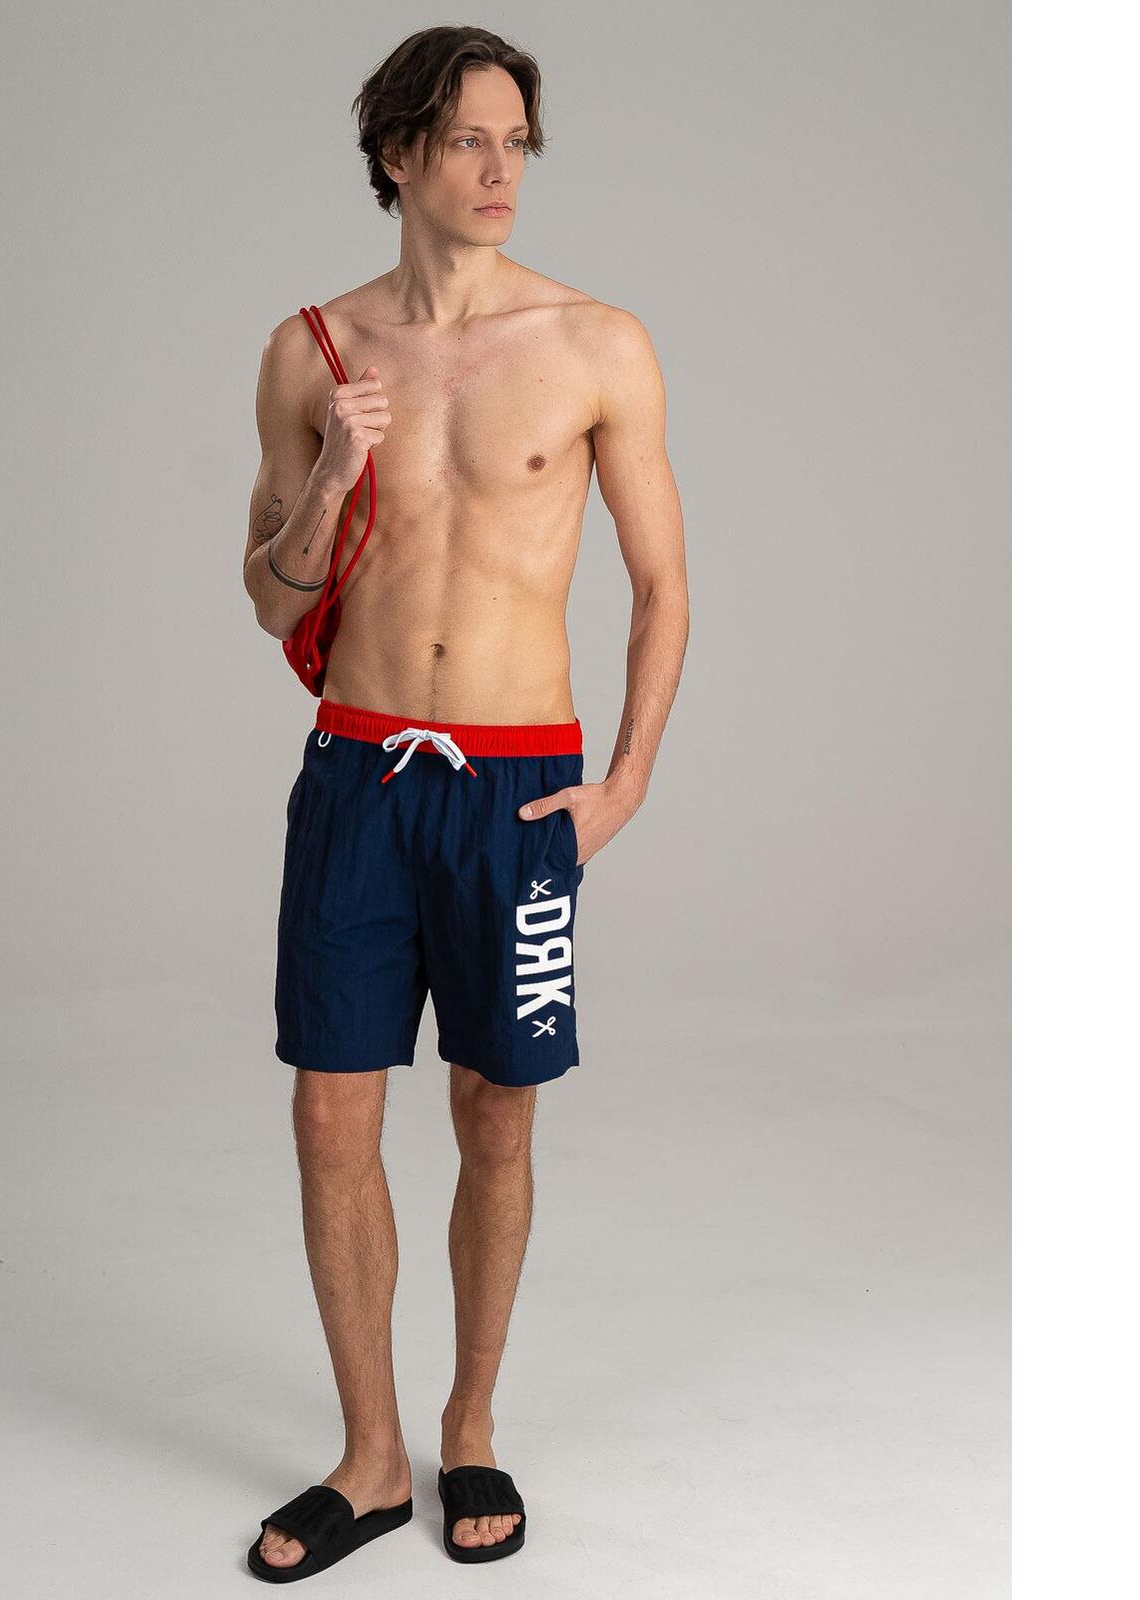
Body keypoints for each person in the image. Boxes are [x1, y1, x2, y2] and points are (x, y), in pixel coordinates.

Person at [240, 24, 689, 1581]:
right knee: (328, 1114)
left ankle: (470, 1422)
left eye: (517, 142)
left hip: (515, 792)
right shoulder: (312, 350)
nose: (502, 171)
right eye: (467, 142)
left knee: (496, 1112)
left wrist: (622, 785)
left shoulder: (595, 344)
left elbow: (662, 585)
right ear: (397, 155)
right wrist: (328, 477)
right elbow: (269, 597)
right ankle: (369, 1457)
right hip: (358, 773)